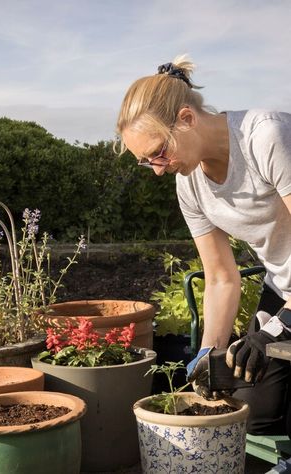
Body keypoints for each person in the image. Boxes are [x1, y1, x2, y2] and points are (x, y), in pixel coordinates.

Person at [116, 55, 291, 436]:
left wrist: (280, 329)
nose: (158, 170)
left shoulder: (266, 138)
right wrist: (206, 356)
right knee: (253, 408)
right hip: (286, 287)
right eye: (148, 162)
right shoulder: (189, 184)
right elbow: (221, 278)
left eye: (159, 153)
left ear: (187, 119)